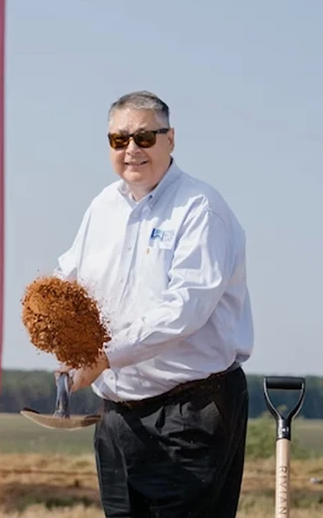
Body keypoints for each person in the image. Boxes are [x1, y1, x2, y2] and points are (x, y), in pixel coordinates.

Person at [54, 90, 253, 517]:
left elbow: (185, 309)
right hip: (118, 419)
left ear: (171, 139)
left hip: (191, 413)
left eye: (145, 137)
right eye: (119, 139)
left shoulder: (200, 209)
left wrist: (104, 356)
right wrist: (61, 332)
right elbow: (68, 278)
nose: (132, 149)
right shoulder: (102, 207)